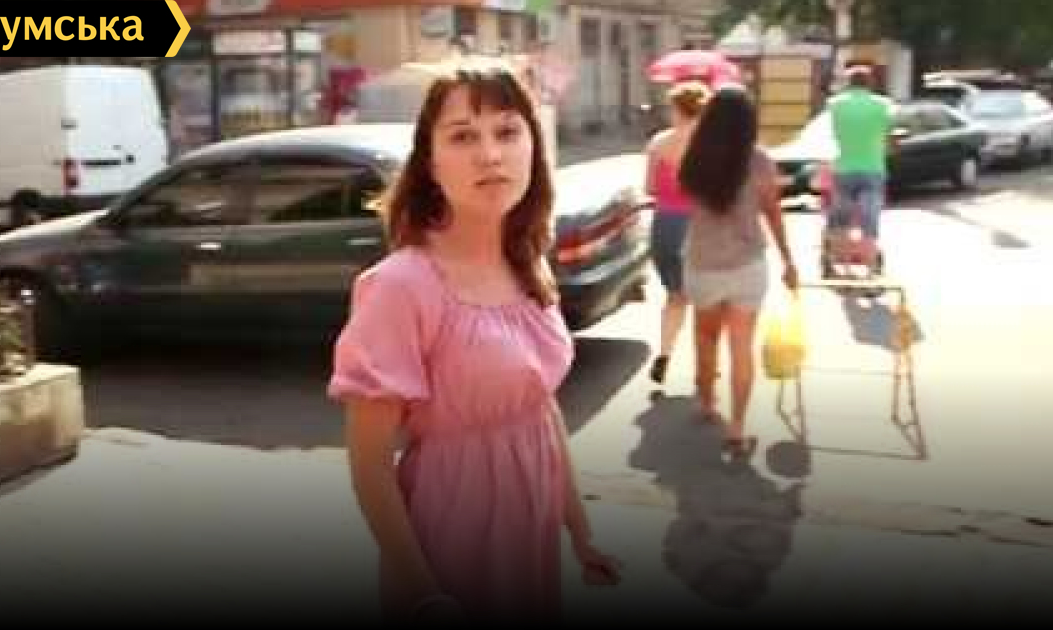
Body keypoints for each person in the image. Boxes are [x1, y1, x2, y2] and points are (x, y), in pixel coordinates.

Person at [327, 60, 621, 623]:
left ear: (533, 146)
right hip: (449, 545)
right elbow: (369, 467)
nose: (490, 154)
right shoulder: (400, 286)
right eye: (463, 136)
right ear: (430, 163)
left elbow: (539, 406)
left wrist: (580, 535)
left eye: (507, 132)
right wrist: (425, 594)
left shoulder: (527, 261)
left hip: (531, 532)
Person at [677, 85, 798, 462]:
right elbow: (773, 213)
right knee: (742, 347)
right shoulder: (760, 161)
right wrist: (788, 260)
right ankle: (737, 429)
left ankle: (706, 401)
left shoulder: (695, 157)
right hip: (748, 264)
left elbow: (686, 199)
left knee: (705, 336)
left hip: (703, 262)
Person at [644, 80, 710, 386]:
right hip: (699, 226)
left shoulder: (659, 143)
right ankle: (704, 365)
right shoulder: (710, 145)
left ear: (678, 109)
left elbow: (649, 188)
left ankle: (664, 354)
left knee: (675, 296)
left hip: (665, 225)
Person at [825, 65, 895, 269]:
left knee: (841, 221)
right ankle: (871, 268)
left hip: (842, 168)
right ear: (870, 83)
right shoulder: (884, 105)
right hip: (873, 168)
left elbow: (826, 135)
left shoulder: (834, 105)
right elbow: (890, 137)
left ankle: (844, 268)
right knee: (869, 221)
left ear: (848, 83)